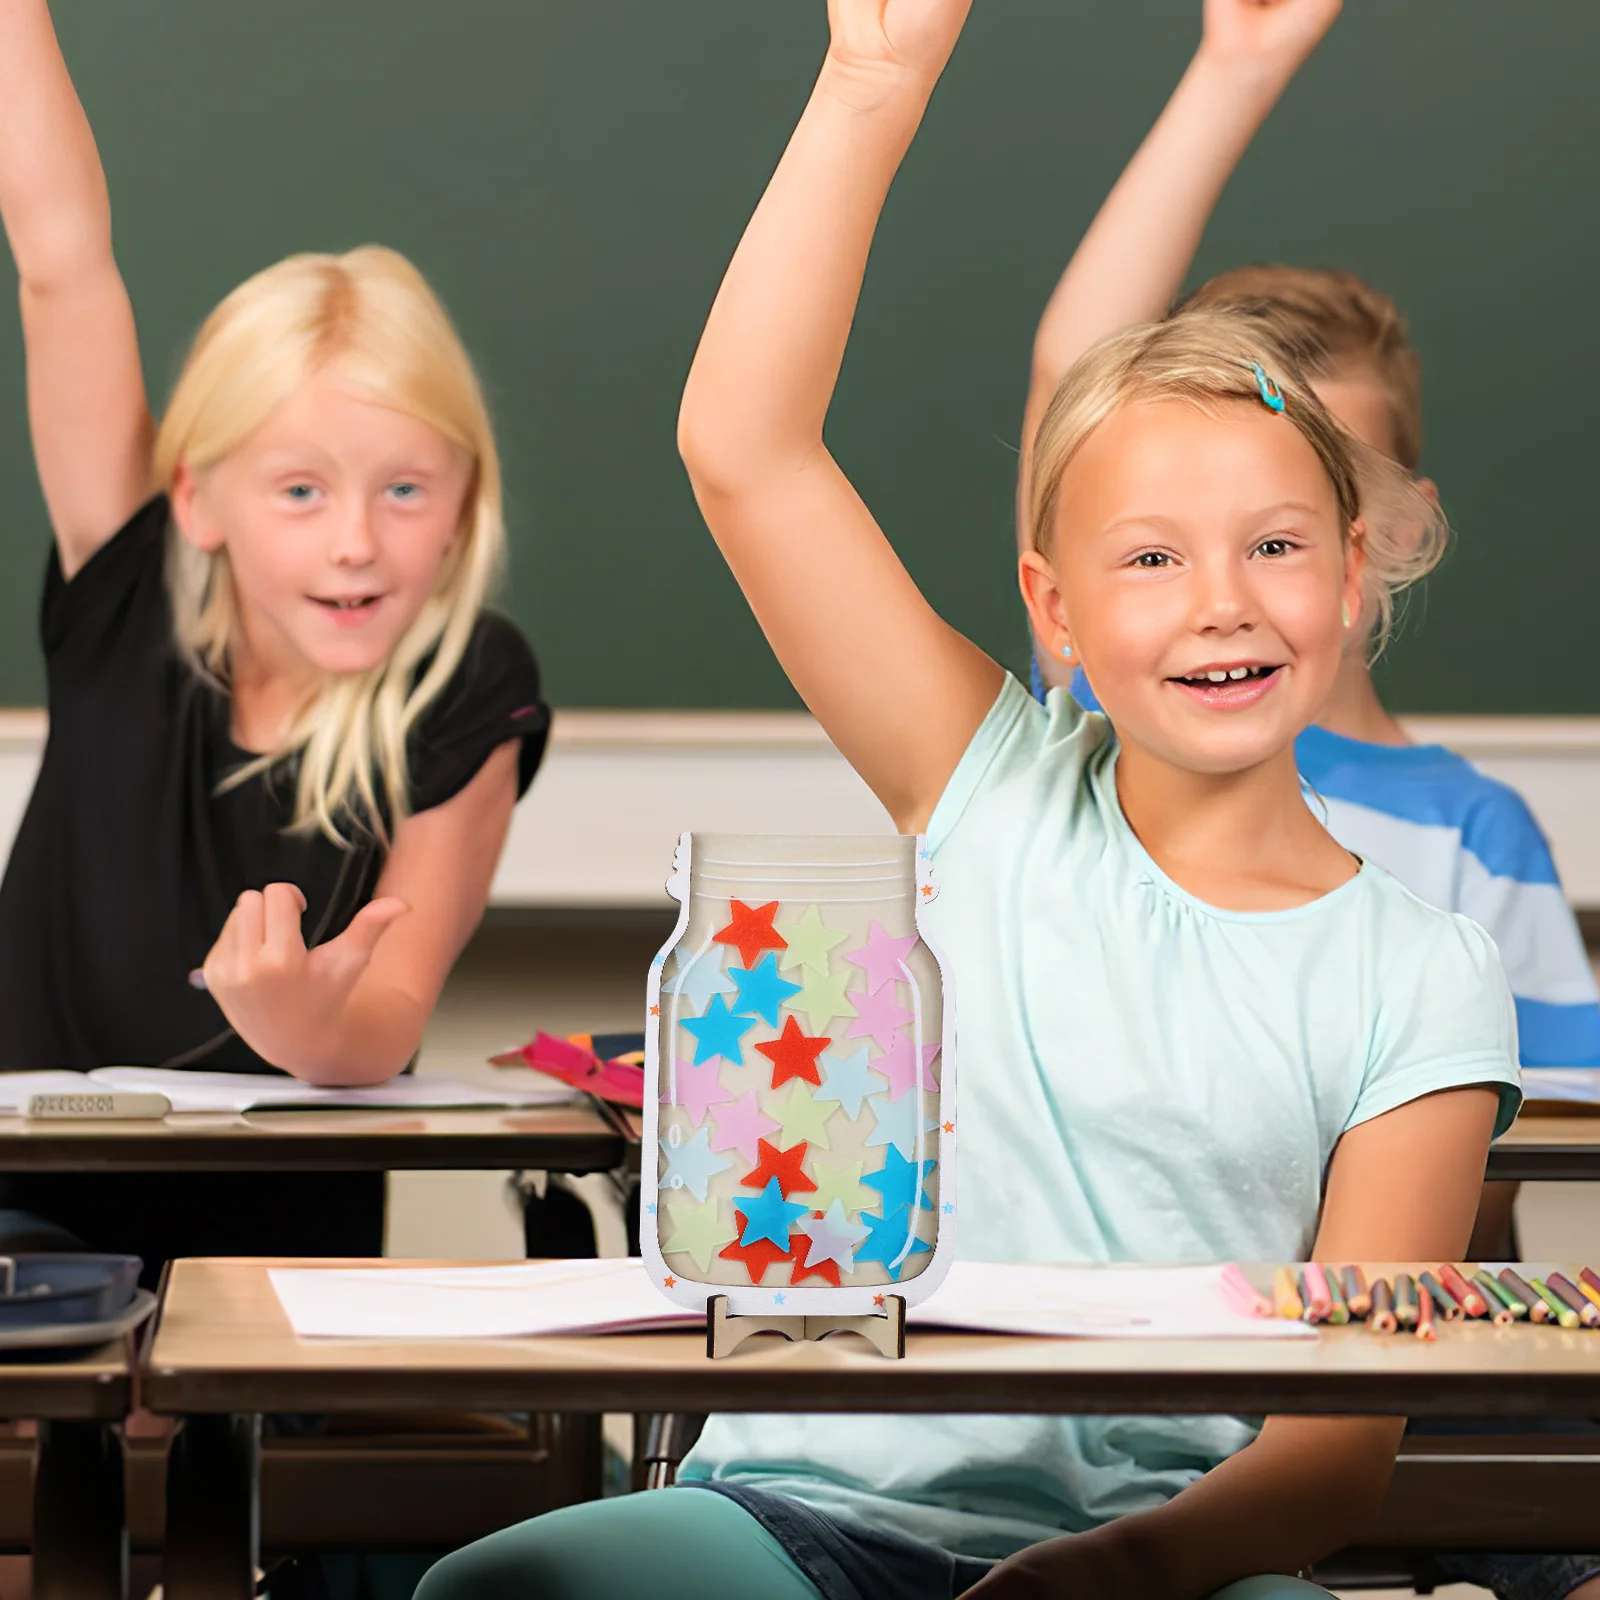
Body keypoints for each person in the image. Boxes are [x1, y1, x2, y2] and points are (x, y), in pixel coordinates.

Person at [413, 3, 1518, 1597]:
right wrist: (873, 79)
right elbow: (744, 446)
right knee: (506, 1589)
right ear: (1054, 614)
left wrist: (1113, 1574)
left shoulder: (1421, 970)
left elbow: (1339, 1446)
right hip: (808, 1512)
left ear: (1353, 584)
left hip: (1174, 1559)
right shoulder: (989, 782)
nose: (1223, 602)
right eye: (1151, 559)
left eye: (1275, 546)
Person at [0, 0, 548, 1281]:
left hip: (279, 1269)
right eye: (299, 490)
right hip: (26, 1225)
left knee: (269, 1453)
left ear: (465, 497)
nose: (355, 541)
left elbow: (385, 1014)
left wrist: (303, 1019)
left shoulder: (471, 689)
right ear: (197, 497)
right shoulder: (126, 592)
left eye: (404, 490)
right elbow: (60, 258)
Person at [1023, 0, 1600, 1115]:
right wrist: (1235, 66)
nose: (1224, 584)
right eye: (1171, 530)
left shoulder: (1475, 837)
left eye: (1291, 515)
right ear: (1065, 598)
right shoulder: (1097, 727)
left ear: (1383, 533)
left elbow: (1514, 1156)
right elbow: (1074, 373)